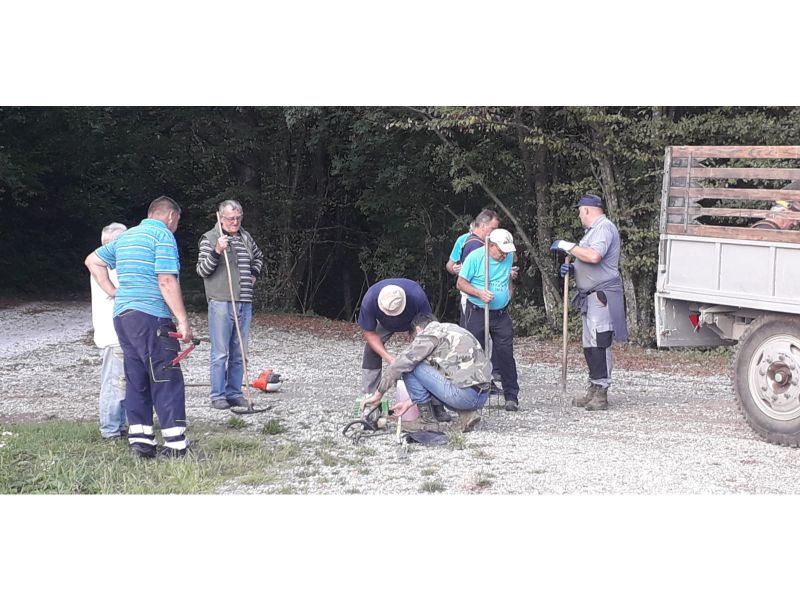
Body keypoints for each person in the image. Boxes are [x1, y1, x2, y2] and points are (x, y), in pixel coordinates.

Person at [85, 196, 193, 459]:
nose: (176, 226)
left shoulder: (126, 237)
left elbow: (92, 260)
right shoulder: (162, 235)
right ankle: (175, 444)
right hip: (151, 317)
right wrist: (182, 320)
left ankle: (141, 442)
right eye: (177, 221)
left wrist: (115, 292)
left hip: (124, 317)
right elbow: (166, 280)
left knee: (136, 379)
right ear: (171, 216)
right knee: (165, 376)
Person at [551, 193, 628, 411]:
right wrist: (573, 268)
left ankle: (602, 392)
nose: (579, 216)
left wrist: (568, 246)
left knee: (600, 342)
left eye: (579, 212)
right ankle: (594, 387)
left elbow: (594, 256)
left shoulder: (604, 228)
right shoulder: (593, 231)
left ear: (586, 210)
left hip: (601, 295)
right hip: (590, 296)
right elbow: (588, 260)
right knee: (589, 344)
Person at [362, 313, 491, 433]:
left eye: (414, 338)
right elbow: (436, 380)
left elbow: (399, 365)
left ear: (418, 330)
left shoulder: (429, 334)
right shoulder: (452, 329)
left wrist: (378, 394)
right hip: (482, 396)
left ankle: (427, 420)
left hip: (464, 396)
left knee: (410, 366)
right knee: (433, 369)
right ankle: (467, 415)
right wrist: (409, 402)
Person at [196, 200, 264, 410]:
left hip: (244, 301)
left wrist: (254, 274)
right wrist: (217, 250)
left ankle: (234, 392)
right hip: (221, 301)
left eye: (238, 218)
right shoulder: (210, 238)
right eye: (231, 218)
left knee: (239, 351)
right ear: (221, 217)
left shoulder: (245, 237)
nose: (235, 222)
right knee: (220, 352)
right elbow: (202, 270)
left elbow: (258, 257)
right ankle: (218, 395)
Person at [357, 278, 452, 422]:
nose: (394, 314)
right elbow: (369, 333)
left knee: (430, 353)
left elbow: (429, 325)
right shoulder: (369, 299)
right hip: (384, 324)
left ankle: (436, 404)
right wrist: (389, 358)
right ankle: (370, 399)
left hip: (415, 321)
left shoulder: (416, 295)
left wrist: (417, 351)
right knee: (371, 350)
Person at [457, 228, 521, 411]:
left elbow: (510, 266)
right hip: (477, 311)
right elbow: (460, 283)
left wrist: (509, 287)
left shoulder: (508, 256)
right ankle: (472, 395)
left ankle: (511, 396)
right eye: (501, 251)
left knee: (505, 353)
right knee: (474, 352)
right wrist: (479, 293)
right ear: (490, 246)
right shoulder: (475, 257)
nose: (504, 255)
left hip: (501, 314)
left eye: (507, 251)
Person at [89, 222, 128, 440]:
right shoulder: (107, 268)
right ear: (108, 244)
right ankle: (110, 429)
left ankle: (119, 425)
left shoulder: (113, 266)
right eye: (121, 241)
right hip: (113, 335)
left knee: (124, 383)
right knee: (114, 384)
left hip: (120, 334)